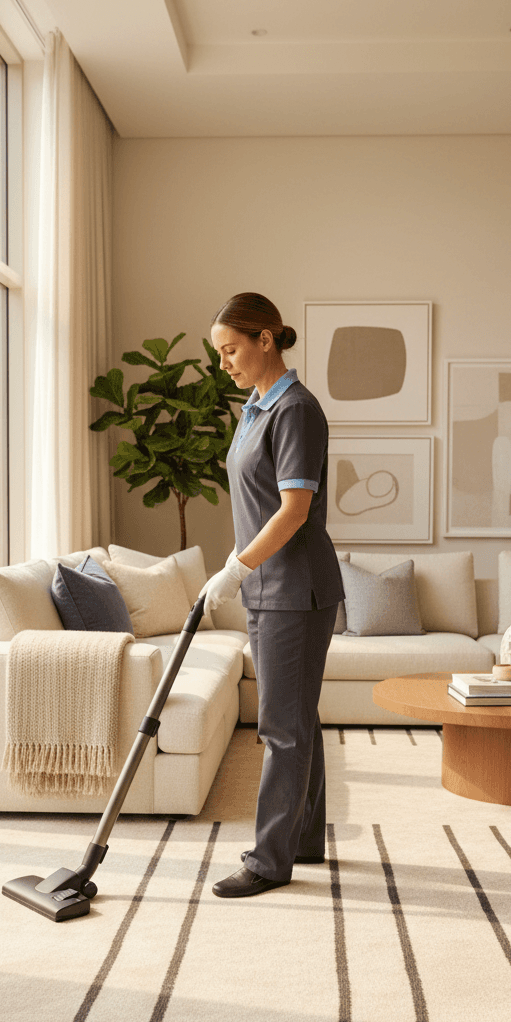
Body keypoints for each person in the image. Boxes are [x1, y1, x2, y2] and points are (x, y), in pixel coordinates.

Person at [200, 292, 345, 899]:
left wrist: (233, 568)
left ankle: (268, 861)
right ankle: (303, 839)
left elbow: (294, 509)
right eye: (220, 354)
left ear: (266, 339)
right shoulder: (253, 409)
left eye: (231, 350)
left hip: (295, 586)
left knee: (280, 728)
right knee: (295, 719)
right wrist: (241, 574)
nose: (225, 364)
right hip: (265, 587)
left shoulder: (297, 411)